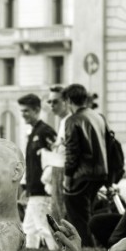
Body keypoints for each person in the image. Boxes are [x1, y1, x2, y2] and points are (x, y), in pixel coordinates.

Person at [62, 83, 109, 247]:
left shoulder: (72, 120)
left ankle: (87, 248)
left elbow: (72, 152)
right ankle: (94, 245)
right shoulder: (97, 117)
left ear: (68, 100)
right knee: (89, 213)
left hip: (82, 174)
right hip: (100, 172)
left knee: (78, 216)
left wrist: (67, 178)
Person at [18, 93, 58, 250]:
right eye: (21, 111)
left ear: (36, 110)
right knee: (29, 229)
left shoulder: (44, 132)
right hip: (34, 190)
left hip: (42, 190)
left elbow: (55, 161)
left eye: (26, 111)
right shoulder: (34, 132)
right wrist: (27, 188)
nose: (23, 115)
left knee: (44, 227)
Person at [42, 86, 71, 223]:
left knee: (59, 215)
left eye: (55, 102)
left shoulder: (69, 121)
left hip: (63, 171)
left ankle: (64, 244)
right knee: (57, 214)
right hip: (60, 170)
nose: (52, 105)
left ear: (66, 101)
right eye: (50, 102)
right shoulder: (63, 121)